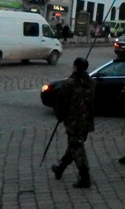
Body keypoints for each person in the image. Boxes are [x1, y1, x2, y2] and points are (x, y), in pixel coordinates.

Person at [51, 57, 95, 188]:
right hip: (87, 120)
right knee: (74, 146)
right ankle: (60, 169)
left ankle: (85, 177)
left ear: (75, 67)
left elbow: (61, 102)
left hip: (74, 122)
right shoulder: (91, 82)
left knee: (77, 148)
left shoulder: (70, 83)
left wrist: (60, 116)